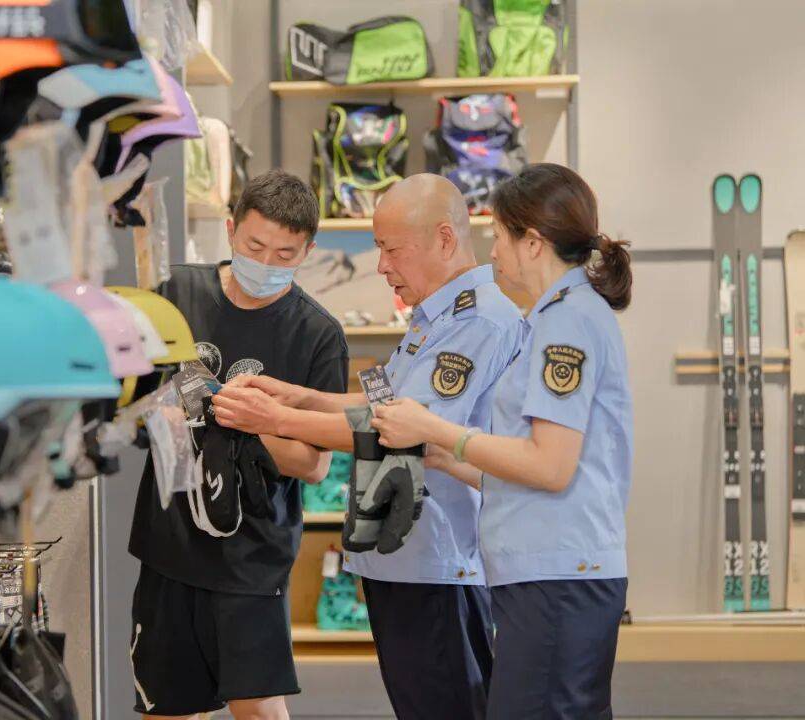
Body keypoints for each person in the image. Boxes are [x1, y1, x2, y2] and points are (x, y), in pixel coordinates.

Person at [212, 174, 525, 719]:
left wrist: (277, 418)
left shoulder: (477, 321)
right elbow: (383, 405)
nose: (380, 265)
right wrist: (302, 397)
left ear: (444, 239)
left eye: (391, 249)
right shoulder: (436, 317)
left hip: (439, 561)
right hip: (407, 556)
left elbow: (400, 432)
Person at [370, 163, 634, 719]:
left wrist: (439, 431)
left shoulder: (566, 321)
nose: (491, 253)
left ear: (533, 243)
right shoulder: (553, 318)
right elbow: (526, 462)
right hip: (543, 571)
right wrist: (446, 455)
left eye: (499, 236)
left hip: (558, 573)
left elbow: (550, 466)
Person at [127, 169, 349, 720]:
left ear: (308, 251)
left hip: (253, 556)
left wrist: (250, 423)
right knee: (167, 709)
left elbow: (314, 465)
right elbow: (129, 404)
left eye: (285, 254)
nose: (266, 263)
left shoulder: (318, 334)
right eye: (254, 247)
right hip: (169, 545)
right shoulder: (175, 293)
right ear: (231, 230)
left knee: (259, 708)